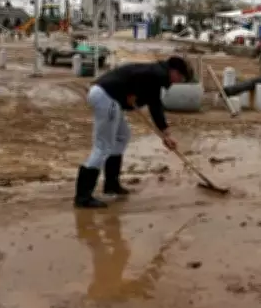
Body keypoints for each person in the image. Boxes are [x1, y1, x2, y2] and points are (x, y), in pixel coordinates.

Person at [74, 56, 192, 208]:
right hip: (106, 97)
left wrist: (166, 133)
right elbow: (151, 99)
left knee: (122, 136)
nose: (178, 82)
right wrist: (129, 92)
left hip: (108, 97)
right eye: (181, 78)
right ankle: (83, 197)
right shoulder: (156, 75)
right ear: (174, 71)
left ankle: (111, 184)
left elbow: (154, 103)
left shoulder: (155, 74)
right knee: (102, 146)